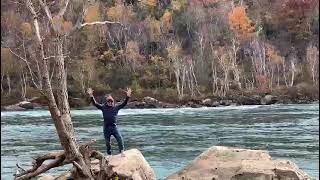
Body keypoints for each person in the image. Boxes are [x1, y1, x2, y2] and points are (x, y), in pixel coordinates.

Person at [87, 87, 132, 156]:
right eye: (109, 101)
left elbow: (124, 103)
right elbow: (95, 103)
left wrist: (128, 96)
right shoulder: (103, 107)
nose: (110, 102)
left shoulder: (116, 107)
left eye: (111, 101)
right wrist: (91, 95)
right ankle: (109, 154)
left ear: (113, 102)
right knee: (107, 142)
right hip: (106, 128)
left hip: (114, 127)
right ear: (106, 102)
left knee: (119, 138)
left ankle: (122, 151)